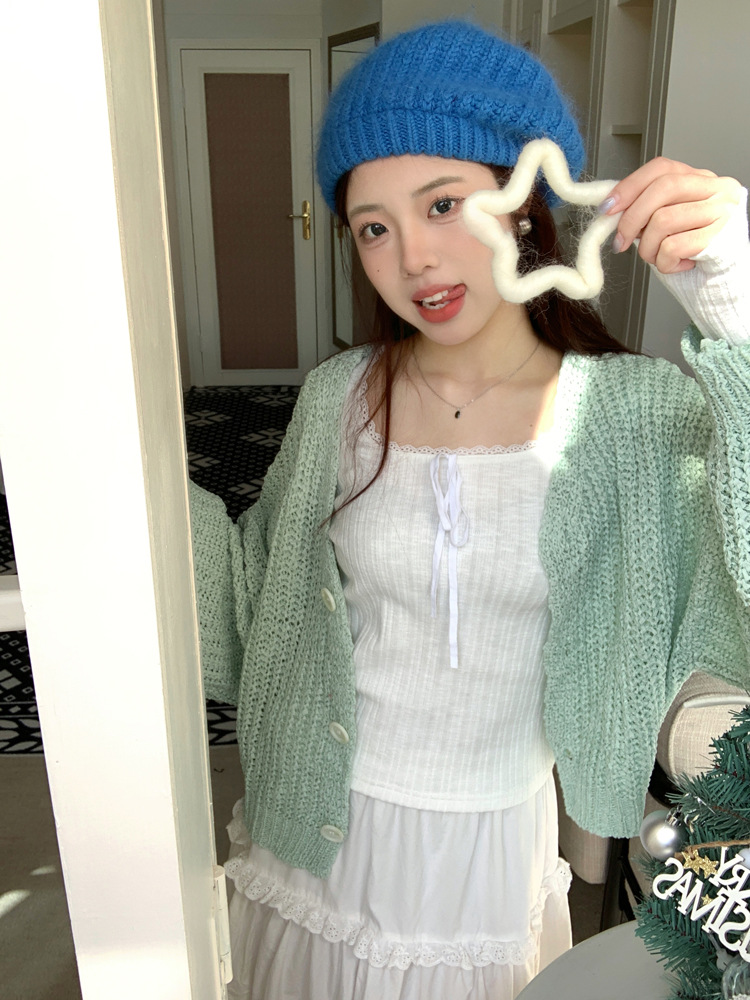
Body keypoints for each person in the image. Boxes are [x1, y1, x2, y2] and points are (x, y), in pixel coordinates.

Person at [189, 19, 750, 1000]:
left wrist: (736, 299)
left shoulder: (632, 414)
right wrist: (126, 471)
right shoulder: (339, 398)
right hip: (317, 827)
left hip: (485, 845)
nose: (411, 257)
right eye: (373, 226)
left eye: (443, 203)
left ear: (526, 203)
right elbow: (255, 599)